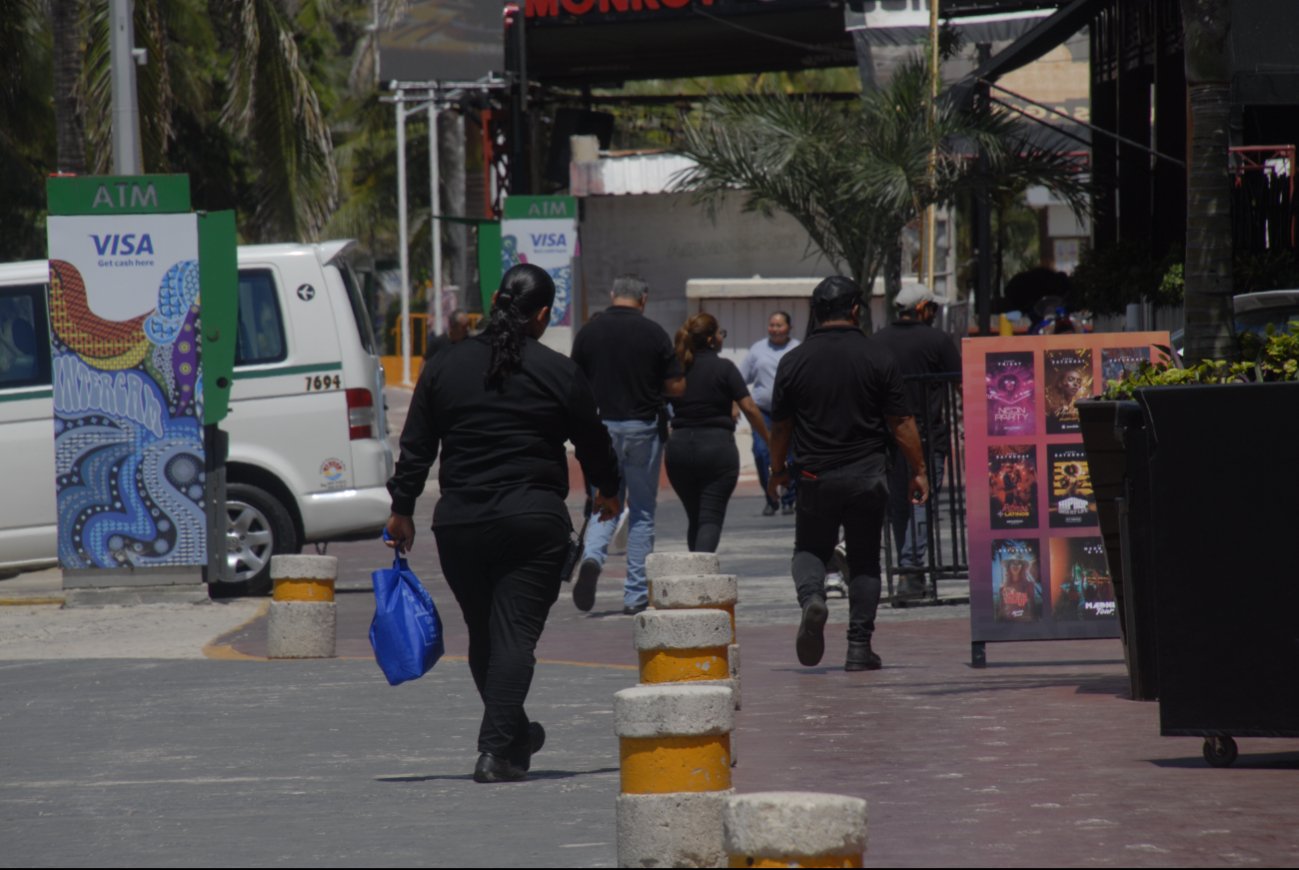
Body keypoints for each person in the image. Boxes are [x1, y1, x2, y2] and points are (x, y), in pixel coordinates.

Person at [384, 264, 622, 784]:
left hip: (460, 524)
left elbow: (417, 446)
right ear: (542, 316)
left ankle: (514, 737)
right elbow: (594, 441)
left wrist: (402, 509)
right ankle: (494, 751)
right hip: (531, 522)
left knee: (486, 637)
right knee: (513, 637)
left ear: (493, 300)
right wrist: (610, 489)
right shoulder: (558, 371)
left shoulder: (444, 366)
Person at [767, 276, 928, 672]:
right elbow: (902, 422)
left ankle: (812, 600)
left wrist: (776, 470)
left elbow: (781, 428)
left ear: (816, 312)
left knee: (808, 550)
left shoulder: (794, 361)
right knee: (865, 559)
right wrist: (919, 470)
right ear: (856, 310)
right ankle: (858, 647)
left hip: (814, 475)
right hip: (868, 475)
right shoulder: (877, 357)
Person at [570, 276, 685, 615]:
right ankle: (635, 595)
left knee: (605, 502)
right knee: (643, 512)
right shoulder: (654, 334)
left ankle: (592, 557)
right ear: (643, 299)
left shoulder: (589, 333)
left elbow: (574, 382)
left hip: (601, 428)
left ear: (612, 295)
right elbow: (676, 386)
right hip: (642, 428)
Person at [871, 286, 962, 598]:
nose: (933, 315)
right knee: (922, 501)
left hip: (889, 436)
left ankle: (908, 571)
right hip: (927, 435)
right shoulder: (936, 339)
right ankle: (911, 570)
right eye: (932, 309)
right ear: (922, 307)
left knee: (899, 504)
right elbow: (961, 382)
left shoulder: (878, 340)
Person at [665, 313, 771, 553]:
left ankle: (695, 574)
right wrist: (770, 439)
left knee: (696, 518)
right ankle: (701, 578)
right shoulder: (724, 368)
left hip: (679, 447)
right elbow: (750, 408)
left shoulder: (678, 369)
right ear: (712, 339)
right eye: (721, 333)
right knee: (710, 518)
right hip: (716, 448)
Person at [740, 311, 800, 516]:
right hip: (763, 413)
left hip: (792, 413)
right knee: (761, 452)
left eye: (779, 325)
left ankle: (789, 499)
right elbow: (740, 380)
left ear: (789, 328)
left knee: (791, 454)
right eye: (772, 325)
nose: (775, 329)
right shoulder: (757, 350)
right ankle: (771, 498)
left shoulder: (798, 349)